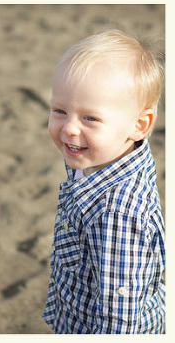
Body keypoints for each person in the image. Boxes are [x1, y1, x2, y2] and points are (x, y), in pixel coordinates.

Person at [43, 30, 164, 333]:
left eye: (90, 118)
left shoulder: (117, 215)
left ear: (139, 125)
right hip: (76, 305)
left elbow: (117, 314)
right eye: (60, 111)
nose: (70, 129)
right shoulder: (107, 154)